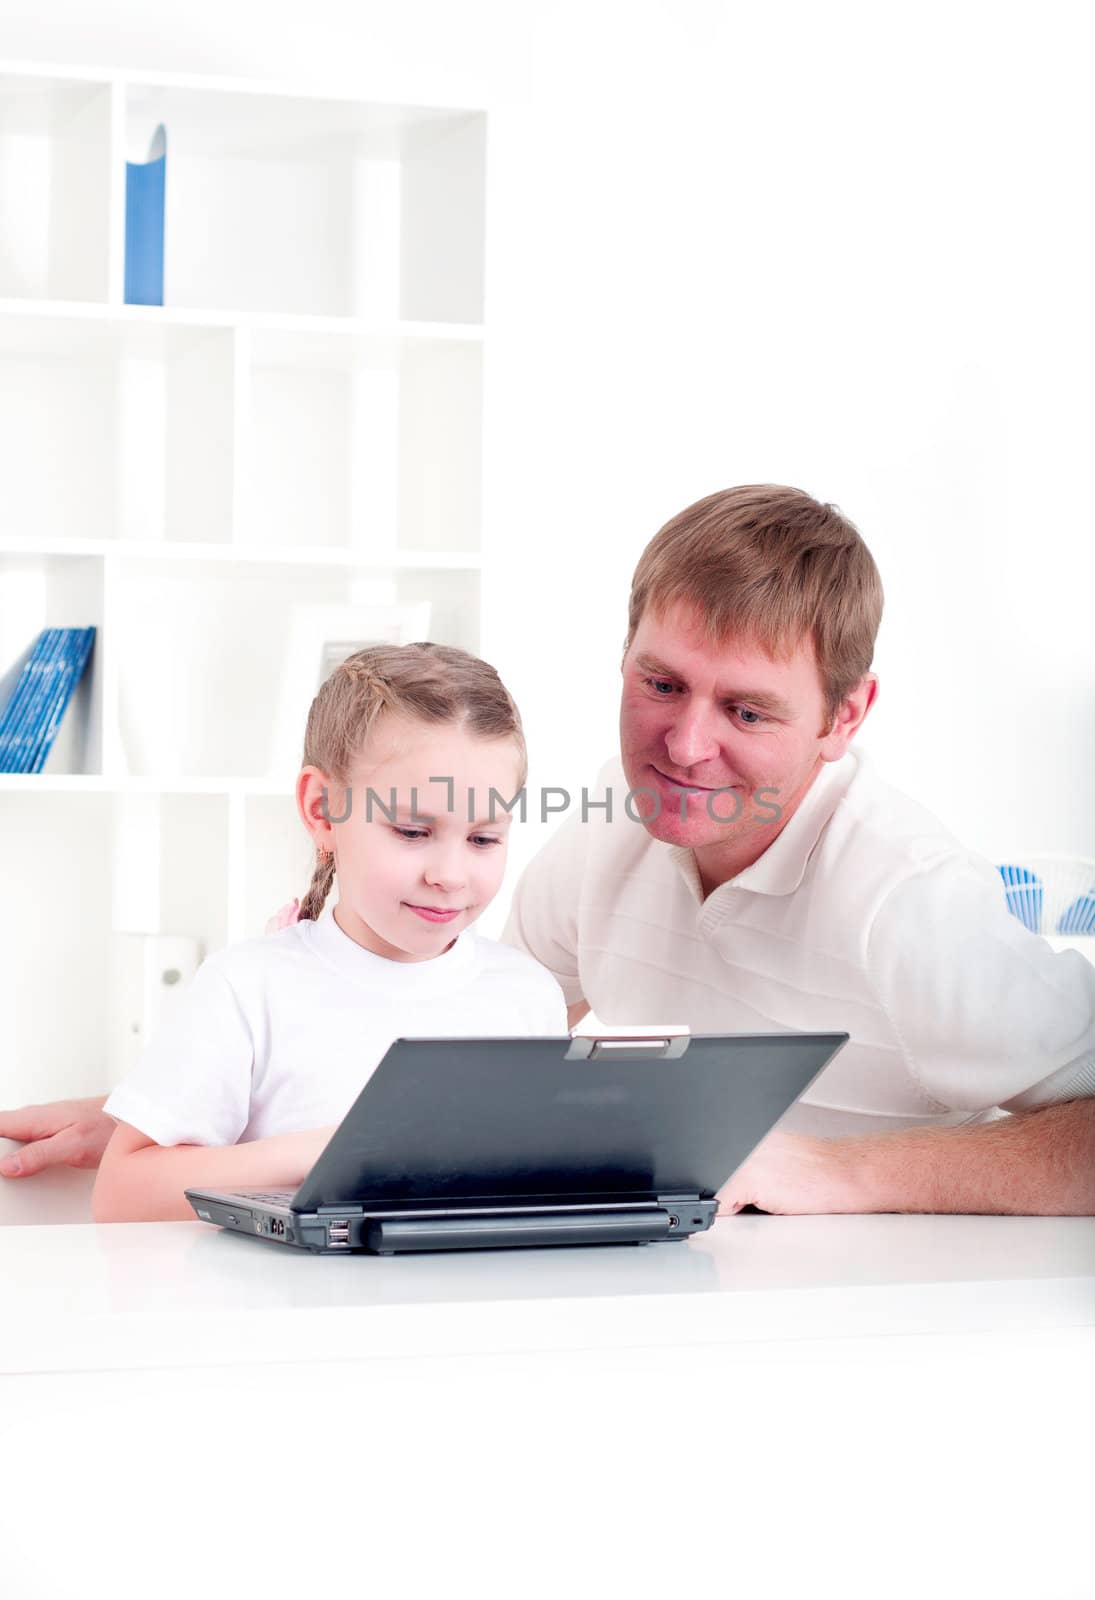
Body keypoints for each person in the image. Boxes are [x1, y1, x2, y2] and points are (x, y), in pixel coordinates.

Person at [4, 487, 1093, 1215]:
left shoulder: (908, 902)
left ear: (845, 718)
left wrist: (838, 1174)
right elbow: (458, 1038)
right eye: (660, 683)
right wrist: (173, 1103)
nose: (685, 743)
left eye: (748, 712)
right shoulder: (607, 849)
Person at [88, 642, 566, 1221]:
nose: (449, 875)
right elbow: (121, 1193)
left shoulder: (527, 995)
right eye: (413, 831)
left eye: (483, 839)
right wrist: (333, 1149)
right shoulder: (251, 987)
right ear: (322, 809)